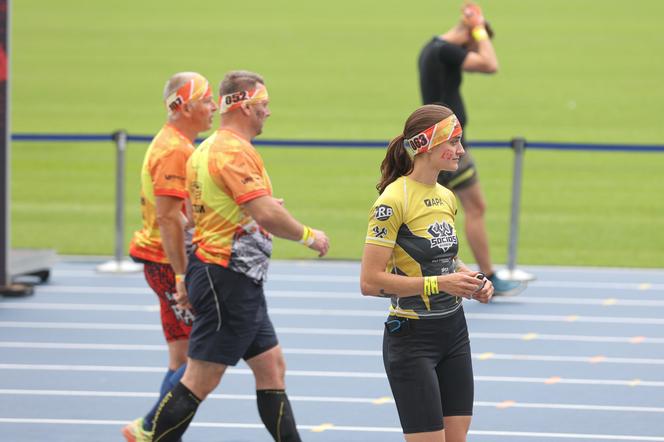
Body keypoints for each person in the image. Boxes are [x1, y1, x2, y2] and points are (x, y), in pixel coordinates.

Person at [149, 70, 330, 442]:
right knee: (199, 379)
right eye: (263, 105)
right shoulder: (233, 152)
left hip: (233, 277)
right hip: (225, 278)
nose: (268, 113)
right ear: (245, 106)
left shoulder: (207, 148)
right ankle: (151, 437)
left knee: (272, 368)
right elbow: (266, 213)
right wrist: (310, 236)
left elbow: (205, 210)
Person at [360, 104, 494, 442]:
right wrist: (439, 283)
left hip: (454, 332)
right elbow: (369, 282)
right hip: (412, 339)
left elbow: (445, 258)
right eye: (453, 141)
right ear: (425, 145)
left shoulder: (446, 197)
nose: (461, 151)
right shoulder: (392, 201)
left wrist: (472, 279)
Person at [123, 72, 218, 442]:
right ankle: (149, 427)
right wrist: (181, 274)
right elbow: (167, 216)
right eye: (207, 100)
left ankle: (158, 433)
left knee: (181, 360)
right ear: (184, 105)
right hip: (167, 263)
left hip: (162, 261)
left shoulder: (176, 144)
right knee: (203, 356)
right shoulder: (174, 151)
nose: (213, 107)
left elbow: (179, 213)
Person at [418, 2, 522, 296]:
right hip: (446, 143)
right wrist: (479, 28)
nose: (476, 50)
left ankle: (436, 270)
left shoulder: (433, 49)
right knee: (474, 207)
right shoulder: (445, 50)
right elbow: (490, 64)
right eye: (475, 43)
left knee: (430, 209)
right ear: (467, 34)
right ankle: (485, 276)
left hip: (438, 141)